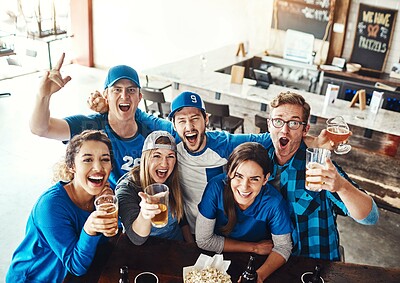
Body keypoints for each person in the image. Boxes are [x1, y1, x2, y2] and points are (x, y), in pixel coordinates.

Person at [90, 90, 331, 234]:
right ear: (173, 125)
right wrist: (105, 108)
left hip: (220, 229)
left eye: (195, 118)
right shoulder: (172, 145)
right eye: (181, 120)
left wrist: (311, 140)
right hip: (185, 229)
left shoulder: (223, 143)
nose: (189, 126)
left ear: (206, 119)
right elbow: (139, 124)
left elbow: (272, 135)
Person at [265, 91, 379, 261]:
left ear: (305, 129)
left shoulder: (318, 165)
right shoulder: (259, 160)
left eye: (294, 123)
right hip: (271, 259)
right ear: (269, 125)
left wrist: (341, 186)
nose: (285, 130)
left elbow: (370, 217)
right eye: (278, 121)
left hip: (314, 262)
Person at [6, 130, 118, 282]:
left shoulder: (104, 192)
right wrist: (90, 229)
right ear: (72, 166)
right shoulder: (50, 206)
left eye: (105, 159)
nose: (98, 167)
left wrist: (107, 209)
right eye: (87, 160)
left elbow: (108, 239)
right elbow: (76, 266)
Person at [29, 53, 152, 189]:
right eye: (117, 90)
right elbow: (41, 129)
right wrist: (43, 96)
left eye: (131, 90)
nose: (124, 96)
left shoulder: (150, 132)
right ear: (106, 95)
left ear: (140, 97)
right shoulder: (89, 127)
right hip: (103, 204)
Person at [196, 142, 293, 282]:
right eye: (238, 176)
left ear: (265, 179)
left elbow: (283, 247)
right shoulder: (215, 187)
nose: (244, 186)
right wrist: (253, 247)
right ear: (229, 173)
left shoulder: (274, 202)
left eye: (254, 179)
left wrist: (258, 276)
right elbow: (203, 240)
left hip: (257, 263)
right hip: (217, 260)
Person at [116, 130, 193, 244]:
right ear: (145, 158)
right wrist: (145, 214)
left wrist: (192, 247)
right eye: (157, 156)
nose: (164, 164)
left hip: (176, 247)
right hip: (145, 252)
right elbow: (137, 239)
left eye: (170, 156)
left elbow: (181, 219)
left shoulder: (172, 180)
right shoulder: (127, 188)